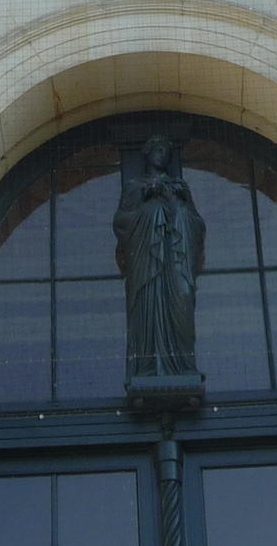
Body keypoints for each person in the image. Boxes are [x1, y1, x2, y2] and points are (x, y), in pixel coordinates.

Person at [113, 136, 206, 380]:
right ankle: (147, 368)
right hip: (146, 269)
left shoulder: (179, 187)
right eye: (158, 149)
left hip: (177, 266)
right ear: (147, 152)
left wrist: (180, 206)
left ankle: (182, 365)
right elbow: (121, 224)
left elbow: (197, 226)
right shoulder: (134, 187)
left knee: (183, 298)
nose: (162, 154)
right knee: (147, 310)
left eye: (166, 150)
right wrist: (148, 206)